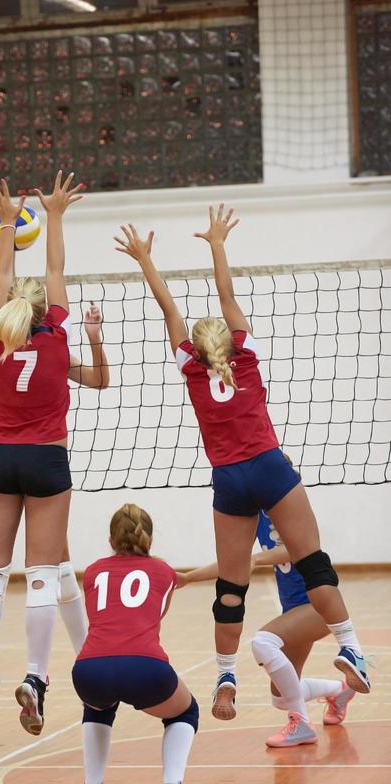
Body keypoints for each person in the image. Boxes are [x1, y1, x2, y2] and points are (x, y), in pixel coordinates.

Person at [114, 207, 371, 722]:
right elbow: (228, 296)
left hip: (229, 478)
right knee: (313, 561)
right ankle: (350, 647)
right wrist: (217, 244)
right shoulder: (247, 358)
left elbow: (169, 311)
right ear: (231, 343)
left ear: (199, 348)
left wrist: (145, 260)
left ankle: (226, 678)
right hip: (270, 466)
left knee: (232, 587)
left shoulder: (189, 366)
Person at [0, 172, 109, 736]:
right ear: (49, 310)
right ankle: (34, 678)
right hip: (47, 462)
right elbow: (54, 270)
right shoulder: (57, 339)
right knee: (42, 573)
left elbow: (6, 272)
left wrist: (7, 223)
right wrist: (54, 215)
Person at [185, 503, 357, 748]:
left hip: (318, 605)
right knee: (282, 697)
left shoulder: (291, 508)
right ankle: (339, 690)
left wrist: (255, 558)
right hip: (294, 610)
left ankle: (301, 724)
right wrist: (187, 578)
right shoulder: (257, 515)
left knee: (263, 642)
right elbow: (234, 563)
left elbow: (300, 547)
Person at [71, 503, 200, 784]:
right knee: (185, 710)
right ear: (150, 539)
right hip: (145, 666)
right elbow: (153, 617)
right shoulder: (163, 572)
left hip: (89, 669)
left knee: (98, 706)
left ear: (110, 540)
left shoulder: (92, 572)